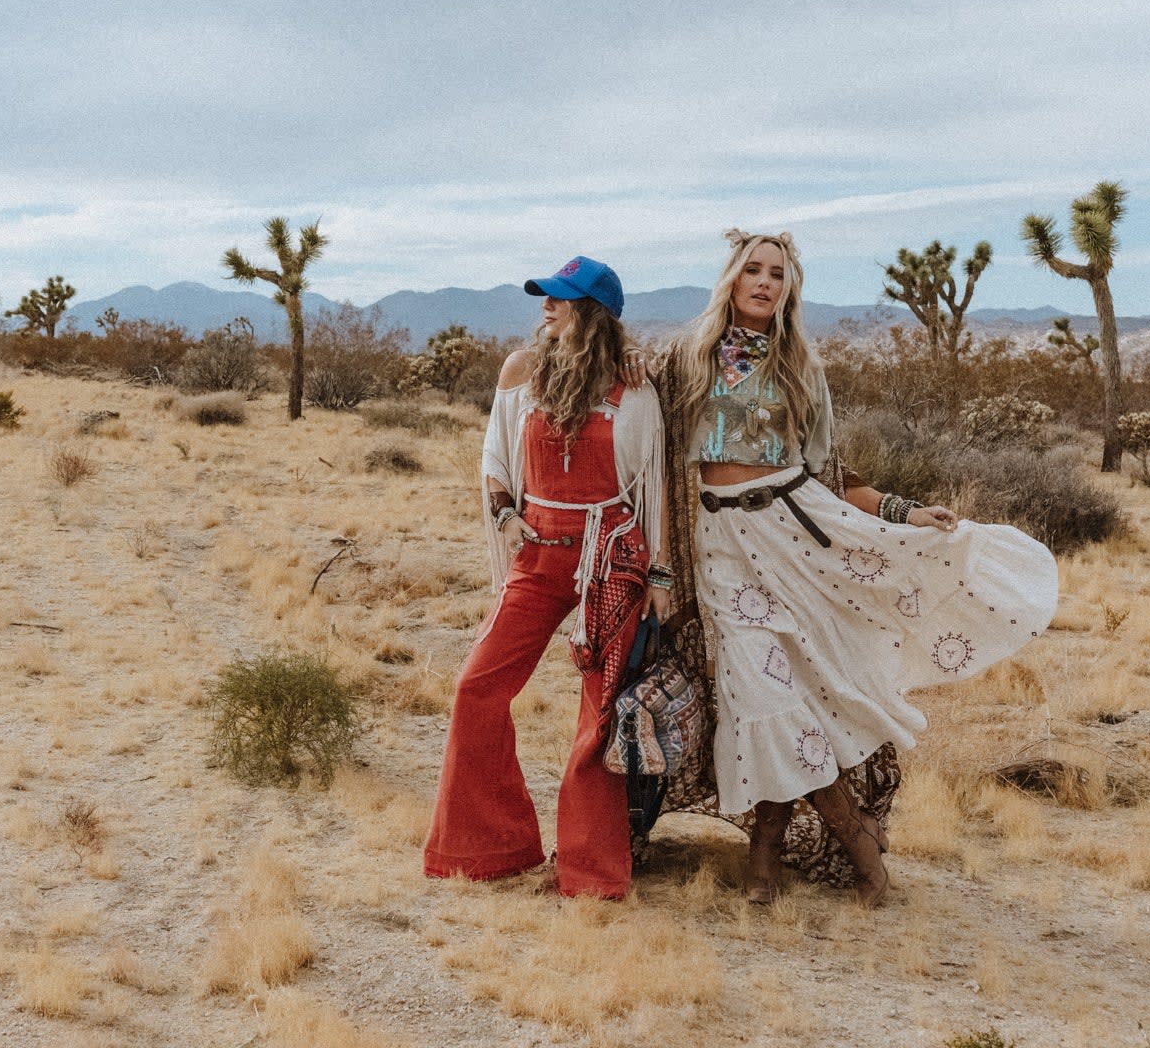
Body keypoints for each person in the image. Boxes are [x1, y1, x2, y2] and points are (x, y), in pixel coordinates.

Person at [649, 229, 1059, 905]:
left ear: (789, 289)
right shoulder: (686, 361)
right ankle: (854, 848)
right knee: (760, 695)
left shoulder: (800, 368)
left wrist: (904, 512)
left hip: (797, 532)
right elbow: (652, 450)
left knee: (795, 701)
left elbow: (834, 472)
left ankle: (770, 857)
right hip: (723, 545)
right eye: (753, 270)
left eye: (777, 274)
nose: (764, 282)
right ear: (731, 278)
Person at [424, 255, 671, 899]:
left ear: (594, 312)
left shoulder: (634, 387)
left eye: (561, 297)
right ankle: (491, 848)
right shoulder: (521, 371)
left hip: (610, 554)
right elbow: (495, 457)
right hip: (538, 553)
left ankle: (588, 873)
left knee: (598, 712)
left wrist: (660, 575)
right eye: (546, 295)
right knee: (476, 687)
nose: (546, 305)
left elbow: (654, 488)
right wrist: (505, 512)